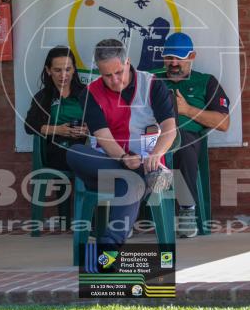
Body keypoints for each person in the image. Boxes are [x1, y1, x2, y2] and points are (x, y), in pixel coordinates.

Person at [67, 39, 176, 248]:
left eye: (118, 72)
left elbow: (170, 128)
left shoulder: (152, 84)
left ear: (128, 62)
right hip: (108, 167)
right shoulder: (89, 94)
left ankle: (108, 249)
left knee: (130, 181)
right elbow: (103, 136)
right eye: (107, 76)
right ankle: (138, 175)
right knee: (75, 152)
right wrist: (125, 159)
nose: (115, 81)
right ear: (99, 71)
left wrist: (156, 154)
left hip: (147, 165)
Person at [158, 32, 230, 238]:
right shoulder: (153, 80)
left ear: (192, 57)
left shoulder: (206, 81)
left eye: (179, 58)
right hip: (153, 138)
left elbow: (224, 123)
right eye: (169, 58)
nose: (173, 63)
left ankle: (187, 211)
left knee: (181, 141)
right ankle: (123, 216)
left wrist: (187, 110)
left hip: (187, 139)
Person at [24, 46, 88, 171]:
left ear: (74, 69)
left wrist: (87, 130)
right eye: (57, 70)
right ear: (48, 70)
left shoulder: (86, 93)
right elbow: (29, 125)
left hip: (86, 145)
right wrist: (58, 130)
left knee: (93, 157)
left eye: (68, 69)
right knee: (79, 159)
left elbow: (104, 122)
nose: (63, 75)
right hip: (58, 148)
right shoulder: (43, 96)